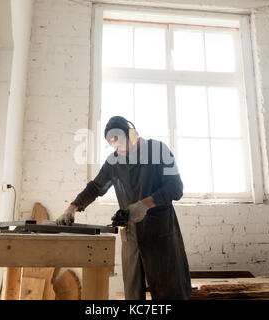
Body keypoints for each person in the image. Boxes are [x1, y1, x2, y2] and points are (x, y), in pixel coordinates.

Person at [56, 116, 192, 300]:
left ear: (131, 133)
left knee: (169, 293)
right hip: (132, 238)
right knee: (134, 296)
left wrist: (145, 204)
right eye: (113, 145)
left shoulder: (159, 150)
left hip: (161, 237)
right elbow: (95, 187)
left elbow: (176, 188)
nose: (118, 149)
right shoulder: (114, 162)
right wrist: (72, 207)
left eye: (120, 142)